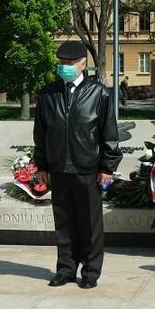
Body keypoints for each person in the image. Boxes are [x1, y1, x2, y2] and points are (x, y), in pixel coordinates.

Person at [33, 40, 122, 289]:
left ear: (83, 64)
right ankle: (65, 269)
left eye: (70, 63)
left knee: (90, 224)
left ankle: (91, 272)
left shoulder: (99, 93)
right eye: (61, 63)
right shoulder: (48, 94)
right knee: (64, 223)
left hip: (88, 169)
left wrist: (108, 167)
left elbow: (109, 133)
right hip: (58, 168)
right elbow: (41, 132)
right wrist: (41, 165)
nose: (65, 67)